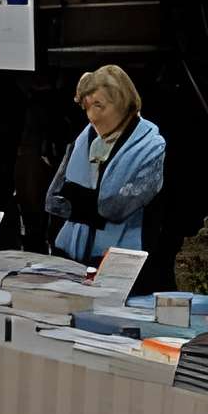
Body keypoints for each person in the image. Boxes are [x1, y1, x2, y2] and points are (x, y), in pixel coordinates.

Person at [46, 63, 167, 272]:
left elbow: (114, 207)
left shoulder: (152, 145)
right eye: (87, 107)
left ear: (122, 101)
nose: (92, 116)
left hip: (121, 262)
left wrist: (78, 200)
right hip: (71, 256)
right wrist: (91, 203)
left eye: (99, 106)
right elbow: (54, 201)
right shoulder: (83, 139)